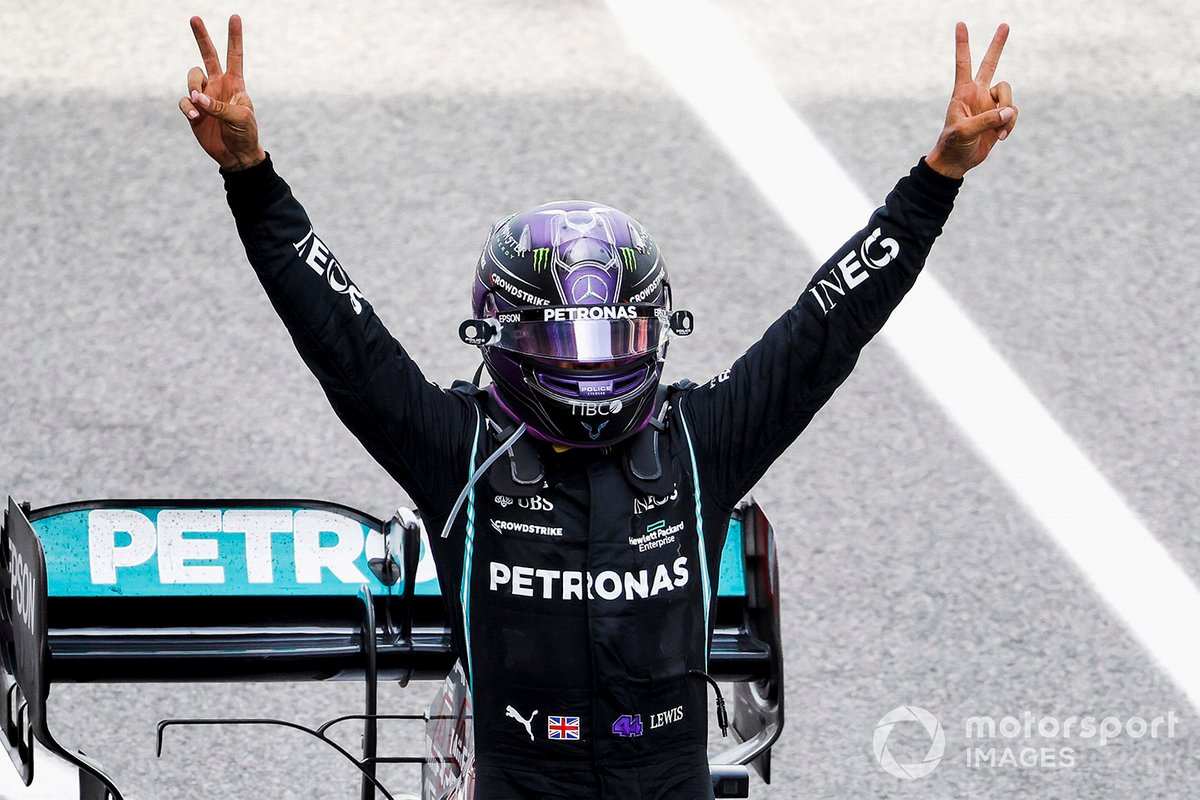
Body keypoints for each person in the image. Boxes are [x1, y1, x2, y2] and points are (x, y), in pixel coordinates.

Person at [179, 14, 1016, 799]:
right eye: (560, 341)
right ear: (499, 336)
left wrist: (935, 181)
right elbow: (342, 339)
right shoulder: (459, 454)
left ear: (657, 331)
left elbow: (828, 326)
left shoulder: (700, 444)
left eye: (615, 336)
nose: (588, 367)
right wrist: (249, 178)